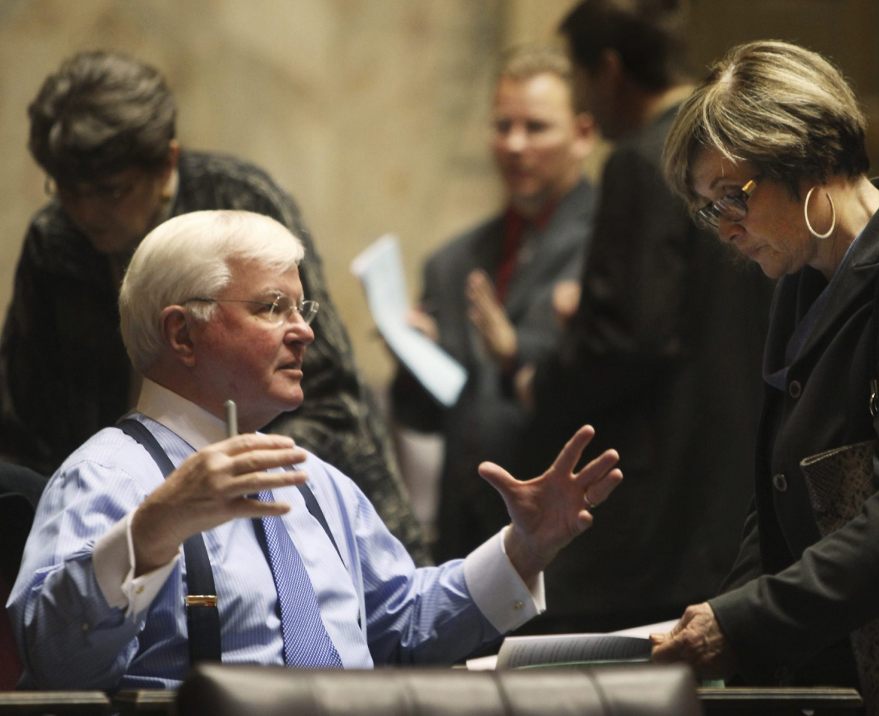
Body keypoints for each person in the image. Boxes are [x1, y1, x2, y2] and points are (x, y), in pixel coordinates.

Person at [6, 210, 623, 690]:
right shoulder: (107, 476)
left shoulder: (317, 482)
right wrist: (153, 530)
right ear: (182, 333)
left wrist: (524, 548)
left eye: (302, 308)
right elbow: (57, 665)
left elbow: (402, 627)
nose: (304, 331)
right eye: (272, 308)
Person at [651, 40, 879, 714]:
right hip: (851, 665)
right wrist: (726, 618)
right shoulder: (805, 277)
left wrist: (746, 622)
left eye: (732, 198)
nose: (725, 230)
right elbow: (780, 495)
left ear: (811, 159)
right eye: (708, 210)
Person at [0, 50, 429, 564]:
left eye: (110, 191)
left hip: (299, 514)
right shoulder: (54, 238)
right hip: (122, 521)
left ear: (167, 163)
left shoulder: (238, 201)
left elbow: (332, 399)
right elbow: (27, 419)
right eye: (67, 191)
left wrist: (207, 474)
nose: (86, 212)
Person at [470, 0, 774, 633]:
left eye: (580, 81)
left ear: (608, 71)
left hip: (657, 511)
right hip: (736, 476)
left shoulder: (643, 158)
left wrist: (537, 379)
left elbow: (629, 335)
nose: (584, 104)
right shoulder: (734, 147)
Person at [390, 45, 597, 561]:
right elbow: (423, 418)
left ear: (583, 135)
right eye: (503, 126)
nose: (514, 144)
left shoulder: (610, 247)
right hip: (467, 539)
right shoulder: (452, 263)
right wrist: (415, 358)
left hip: (574, 539)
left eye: (536, 127)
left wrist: (514, 352)